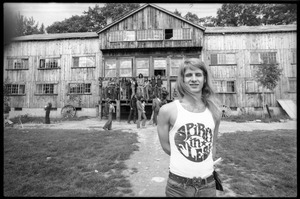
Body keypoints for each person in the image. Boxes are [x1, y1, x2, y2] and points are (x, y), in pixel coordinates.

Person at [157, 58, 222, 197]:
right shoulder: (167, 111)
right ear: (182, 80)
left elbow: (212, 145)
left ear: (204, 79)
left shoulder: (215, 111)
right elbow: (166, 147)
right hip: (178, 187)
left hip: (208, 185)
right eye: (188, 75)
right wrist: (189, 156)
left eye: (198, 75)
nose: (193, 79)